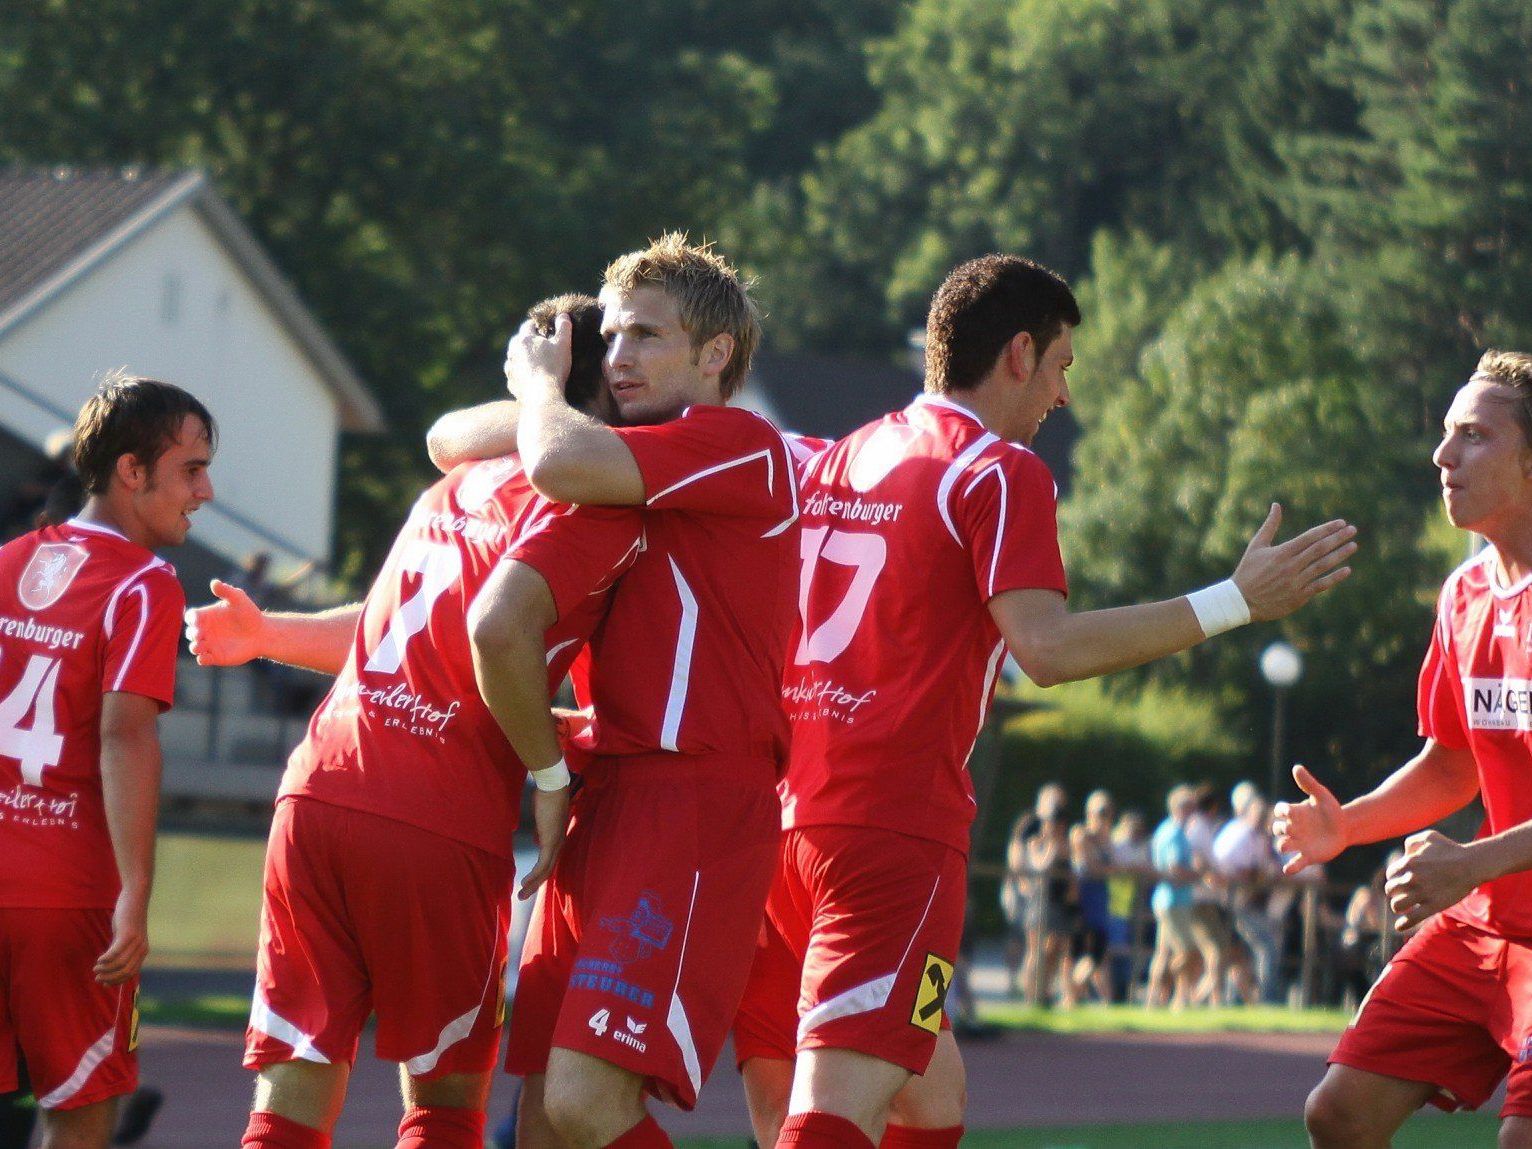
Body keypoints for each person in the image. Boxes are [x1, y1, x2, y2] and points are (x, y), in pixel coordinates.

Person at [730, 253, 1358, 1149]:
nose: (1062, 393)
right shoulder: (997, 470)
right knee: (832, 1115)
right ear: (1019, 354)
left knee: (929, 1095)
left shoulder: (838, 455)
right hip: (891, 835)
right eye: (1062, 365)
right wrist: (1234, 601)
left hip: (782, 826)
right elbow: (1048, 649)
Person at [187, 296, 643, 1149]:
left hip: (317, 793)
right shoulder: (588, 500)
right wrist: (552, 771)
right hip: (436, 818)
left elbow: (389, 632)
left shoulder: (457, 479)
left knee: (286, 1101)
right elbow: (494, 639)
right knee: (442, 1110)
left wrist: (266, 635)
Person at [430, 234, 799, 1149]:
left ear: (715, 355)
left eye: (646, 335)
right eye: (611, 338)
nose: (619, 355)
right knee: (544, 1122)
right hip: (609, 793)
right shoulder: (618, 442)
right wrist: (544, 390)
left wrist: (542, 391)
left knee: (588, 1101)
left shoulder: (740, 442)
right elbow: (446, 440)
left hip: (694, 798)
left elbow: (552, 461)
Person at [1274, 349, 1532, 1148]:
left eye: (1474, 436)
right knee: (1338, 1113)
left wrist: (1474, 861)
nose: (1443, 455)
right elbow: (1452, 764)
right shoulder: (1465, 593)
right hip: (1488, 922)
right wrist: (1346, 825)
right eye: (1446, 433)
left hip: (1489, 887)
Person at [0, 373, 215, 1149]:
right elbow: (124, 736)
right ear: (132, 470)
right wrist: (135, 891)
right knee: (82, 1107)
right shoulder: (145, 583)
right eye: (191, 469)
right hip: (68, 893)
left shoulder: (8, 560)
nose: (206, 492)